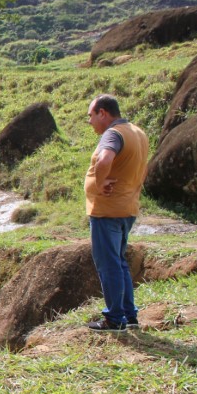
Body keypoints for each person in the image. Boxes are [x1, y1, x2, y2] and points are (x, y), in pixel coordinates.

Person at [84, 94, 149, 332]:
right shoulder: (137, 132)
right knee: (119, 262)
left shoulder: (113, 134)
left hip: (108, 211)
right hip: (127, 208)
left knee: (109, 264)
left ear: (103, 113)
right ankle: (129, 316)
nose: (89, 121)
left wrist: (100, 183)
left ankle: (114, 319)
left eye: (91, 115)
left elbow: (104, 159)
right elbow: (144, 168)